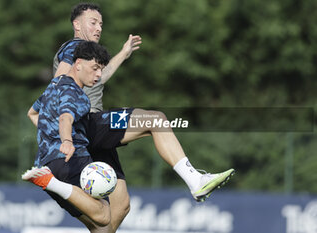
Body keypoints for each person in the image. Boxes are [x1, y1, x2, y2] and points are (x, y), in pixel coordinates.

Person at [28, 3, 235, 232]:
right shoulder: (76, 47)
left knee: (116, 210)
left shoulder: (88, 60)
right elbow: (61, 81)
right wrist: (63, 133)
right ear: (76, 25)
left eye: (101, 24)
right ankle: (195, 180)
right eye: (93, 22)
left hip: (84, 138)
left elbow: (97, 77)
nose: (98, 28)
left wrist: (123, 54)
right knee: (155, 120)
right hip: (89, 124)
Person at [23, 41, 114, 233]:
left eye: (101, 70)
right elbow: (66, 117)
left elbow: (32, 113)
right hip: (71, 160)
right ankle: (51, 182)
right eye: (95, 68)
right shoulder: (77, 94)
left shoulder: (54, 86)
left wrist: (51, 136)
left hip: (47, 163)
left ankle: (50, 181)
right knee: (104, 217)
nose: (98, 75)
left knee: (97, 227)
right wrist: (66, 141)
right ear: (78, 63)